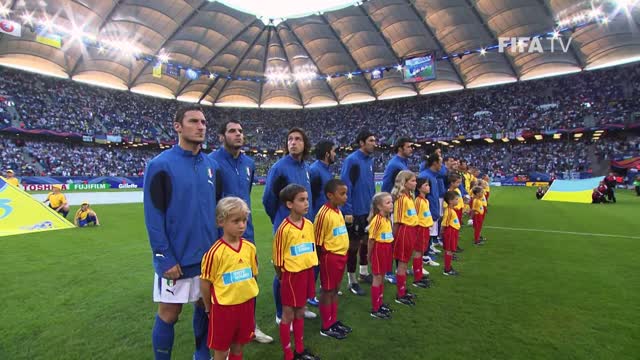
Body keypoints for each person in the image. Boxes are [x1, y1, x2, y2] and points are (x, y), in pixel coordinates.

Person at [144, 105, 218, 360]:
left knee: (205, 307)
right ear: (177, 126)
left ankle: (201, 355)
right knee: (169, 313)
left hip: (208, 257)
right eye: (194, 121)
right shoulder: (160, 165)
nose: (201, 126)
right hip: (176, 258)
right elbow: (154, 215)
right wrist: (164, 256)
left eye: (204, 122)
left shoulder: (210, 164)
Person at [208, 120, 272, 344]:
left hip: (247, 234)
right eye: (232, 131)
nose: (238, 135)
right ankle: (219, 330)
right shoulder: (212, 162)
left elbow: (246, 194)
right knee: (223, 284)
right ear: (221, 136)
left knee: (249, 279)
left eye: (241, 131)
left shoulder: (249, 163)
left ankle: (251, 327)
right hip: (222, 238)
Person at [262, 128, 316, 325]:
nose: (293, 142)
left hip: (304, 227)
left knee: (302, 268)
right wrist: (278, 218)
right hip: (286, 227)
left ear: (305, 143)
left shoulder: (306, 167)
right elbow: (268, 199)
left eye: (298, 139)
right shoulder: (279, 168)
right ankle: (280, 313)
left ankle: (301, 306)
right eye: (290, 139)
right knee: (284, 271)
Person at [200, 197, 258, 360]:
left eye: (244, 220)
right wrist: (208, 307)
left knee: (239, 346)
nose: (241, 225)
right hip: (224, 309)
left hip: (246, 305)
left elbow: (253, 274)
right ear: (221, 222)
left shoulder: (249, 248)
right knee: (221, 350)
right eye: (236, 221)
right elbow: (205, 282)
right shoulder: (215, 253)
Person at [272, 184, 320, 360]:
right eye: (302, 200)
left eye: (307, 199)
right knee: (288, 314)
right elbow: (277, 261)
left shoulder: (308, 224)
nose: (306, 203)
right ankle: (288, 354)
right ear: (289, 204)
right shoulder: (283, 229)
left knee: (300, 312)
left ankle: (299, 350)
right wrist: (282, 277)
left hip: (307, 272)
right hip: (291, 276)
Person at [341, 130, 377, 296]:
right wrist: (348, 210)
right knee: (353, 247)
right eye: (371, 140)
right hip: (355, 211)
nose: (374, 143)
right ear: (362, 143)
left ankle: (363, 272)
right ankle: (351, 280)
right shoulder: (352, 160)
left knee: (365, 241)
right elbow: (345, 186)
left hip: (367, 211)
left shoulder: (370, 161)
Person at [314, 179, 351, 339]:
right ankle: (326, 325)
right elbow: (317, 242)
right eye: (342, 194)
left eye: (346, 193)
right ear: (330, 195)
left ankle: (333, 320)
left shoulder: (338, 211)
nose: (345, 197)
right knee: (327, 290)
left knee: (335, 289)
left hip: (341, 255)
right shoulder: (324, 214)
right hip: (330, 257)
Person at [380, 137, 413, 284]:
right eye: (409, 146)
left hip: (397, 203)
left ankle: (400, 266)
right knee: (391, 239)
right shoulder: (395, 164)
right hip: (393, 205)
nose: (412, 149)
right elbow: (388, 185)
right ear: (400, 148)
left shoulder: (402, 162)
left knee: (397, 239)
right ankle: (388, 271)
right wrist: (386, 204)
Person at [391, 170, 419, 306]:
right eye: (412, 181)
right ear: (404, 182)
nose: (415, 183)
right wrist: (394, 239)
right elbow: (397, 221)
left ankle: (403, 289)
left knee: (405, 263)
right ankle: (400, 294)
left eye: (415, 180)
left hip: (411, 231)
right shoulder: (401, 199)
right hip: (404, 232)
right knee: (402, 264)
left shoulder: (409, 197)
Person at [367, 192, 395, 319]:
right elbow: (371, 240)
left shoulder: (387, 219)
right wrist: (369, 255)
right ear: (379, 206)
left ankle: (380, 303)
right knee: (377, 278)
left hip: (387, 249)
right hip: (379, 250)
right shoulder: (377, 220)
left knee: (382, 276)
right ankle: (375, 308)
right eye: (388, 202)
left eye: (391, 202)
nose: (391, 204)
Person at [418, 153, 441, 267]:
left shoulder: (433, 176)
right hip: (427, 213)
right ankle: (423, 258)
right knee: (422, 238)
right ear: (435, 163)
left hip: (431, 210)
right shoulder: (425, 176)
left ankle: (426, 256)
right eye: (440, 162)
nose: (441, 165)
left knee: (427, 237)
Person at [414, 177, 433, 287]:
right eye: (426, 185)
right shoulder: (418, 201)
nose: (428, 187)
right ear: (419, 188)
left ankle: (419, 274)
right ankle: (417, 279)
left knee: (421, 252)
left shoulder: (426, 200)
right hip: (420, 229)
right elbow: (416, 216)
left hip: (426, 229)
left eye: (428, 185)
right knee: (418, 252)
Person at [309, 140, 336, 216]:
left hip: (328, 215)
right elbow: (311, 197)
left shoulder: (326, 169)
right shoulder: (314, 171)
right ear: (327, 154)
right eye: (333, 151)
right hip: (319, 217)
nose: (335, 154)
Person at [441, 191, 461, 276]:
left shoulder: (451, 210)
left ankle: (448, 266)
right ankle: (447, 269)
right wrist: (442, 232)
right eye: (456, 199)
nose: (458, 201)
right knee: (448, 250)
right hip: (450, 232)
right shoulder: (448, 211)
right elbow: (444, 223)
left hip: (453, 231)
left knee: (450, 250)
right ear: (450, 201)